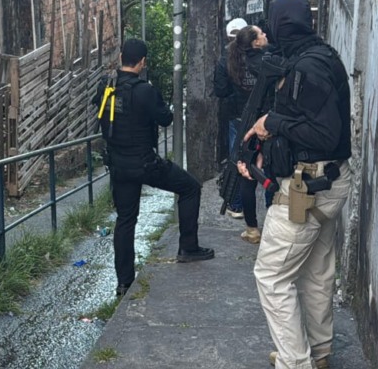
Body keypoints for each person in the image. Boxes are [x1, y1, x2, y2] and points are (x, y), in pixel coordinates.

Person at [237, 0, 352, 369]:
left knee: (271, 275)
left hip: (309, 187)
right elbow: (306, 119)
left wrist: (272, 123)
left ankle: (295, 362)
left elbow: (323, 134)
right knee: (316, 272)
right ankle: (318, 354)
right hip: (326, 182)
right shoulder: (318, 56)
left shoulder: (308, 67)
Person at [96, 38, 214, 297]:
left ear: (120, 58)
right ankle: (188, 247)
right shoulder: (145, 91)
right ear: (142, 62)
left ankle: (124, 283)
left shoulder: (106, 87)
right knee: (190, 188)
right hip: (145, 163)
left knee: (125, 220)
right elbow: (165, 118)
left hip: (118, 165)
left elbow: (101, 116)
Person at [226, 23, 276, 244]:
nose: (265, 34)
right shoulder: (268, 62)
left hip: (242, 121)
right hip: (267, 122)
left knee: (247, 175)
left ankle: (252, 228)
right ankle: (272, 225)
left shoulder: (231, 61)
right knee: (270, 172)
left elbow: (221, 88)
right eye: (261, 33)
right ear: (256, 42)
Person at [213, 17, 250, 218]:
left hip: (236, 115)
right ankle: (270, 204)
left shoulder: (225, 60)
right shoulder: (259, 56)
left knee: (237, 158)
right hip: (259, 116)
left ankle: (236, 204)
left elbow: (220, 90)